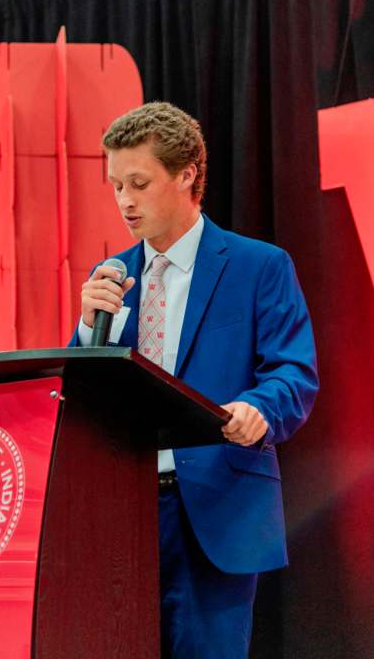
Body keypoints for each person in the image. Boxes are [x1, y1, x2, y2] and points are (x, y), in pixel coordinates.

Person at [69, 101, 318, 659]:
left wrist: (258, 410)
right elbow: (80, 395)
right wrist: (87, 331)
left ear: (186, 175)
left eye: (139, 182)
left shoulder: (260, 266)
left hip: (217, 509)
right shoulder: (109, 278)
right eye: (115, 185)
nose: (125, 201)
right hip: (118, 517)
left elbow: (294, 373)